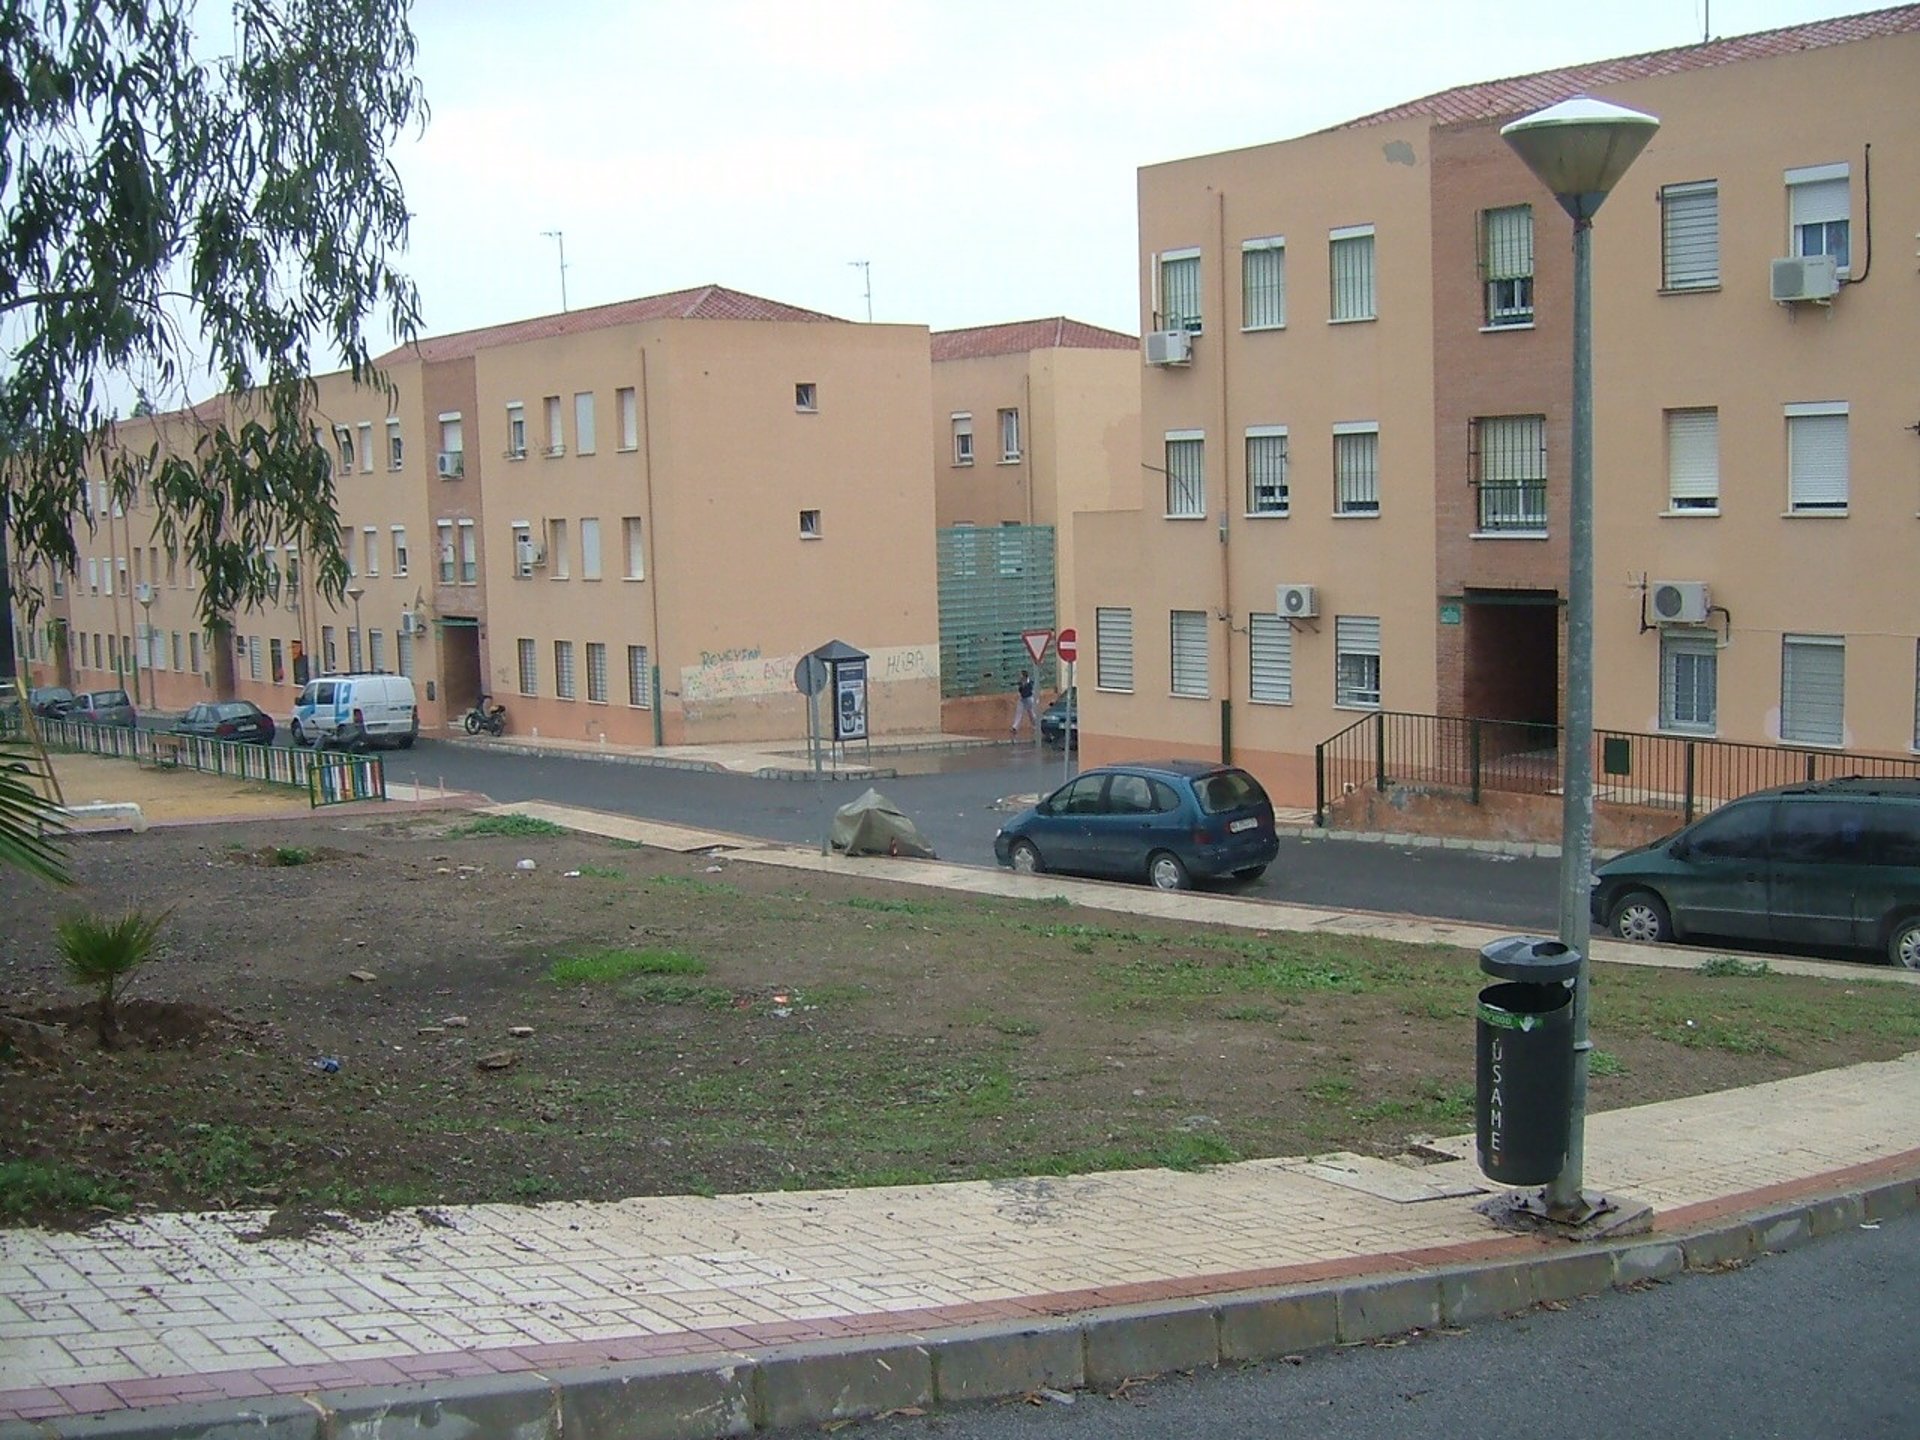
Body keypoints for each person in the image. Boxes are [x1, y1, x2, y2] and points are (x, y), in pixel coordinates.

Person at [1010, 668, 1040, 738]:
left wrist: (1036, 700)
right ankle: (1015, 727)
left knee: (1031, 713)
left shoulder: (1030, 683)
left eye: (1021, 676)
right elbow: (1020, 690)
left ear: (1024, 676)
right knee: (1019, 712)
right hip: (1022, 699)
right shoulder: (1021, 683)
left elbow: (1032, 691)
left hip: (1029, 699)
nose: (1020, 677)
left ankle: (1036, 726)